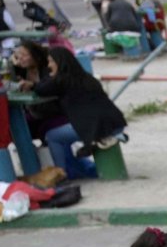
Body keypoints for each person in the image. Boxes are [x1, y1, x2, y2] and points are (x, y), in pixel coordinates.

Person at [32, 47, 125, 179]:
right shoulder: (86, 77)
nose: (49, 66)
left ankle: (61, 175)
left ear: (60, 62)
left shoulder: (61, 80)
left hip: (98, 126)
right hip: (114, 121)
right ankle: (75, 169)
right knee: (61, 135)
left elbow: (40, 89)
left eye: (51, 62)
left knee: (52, 136)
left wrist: (42, 79)